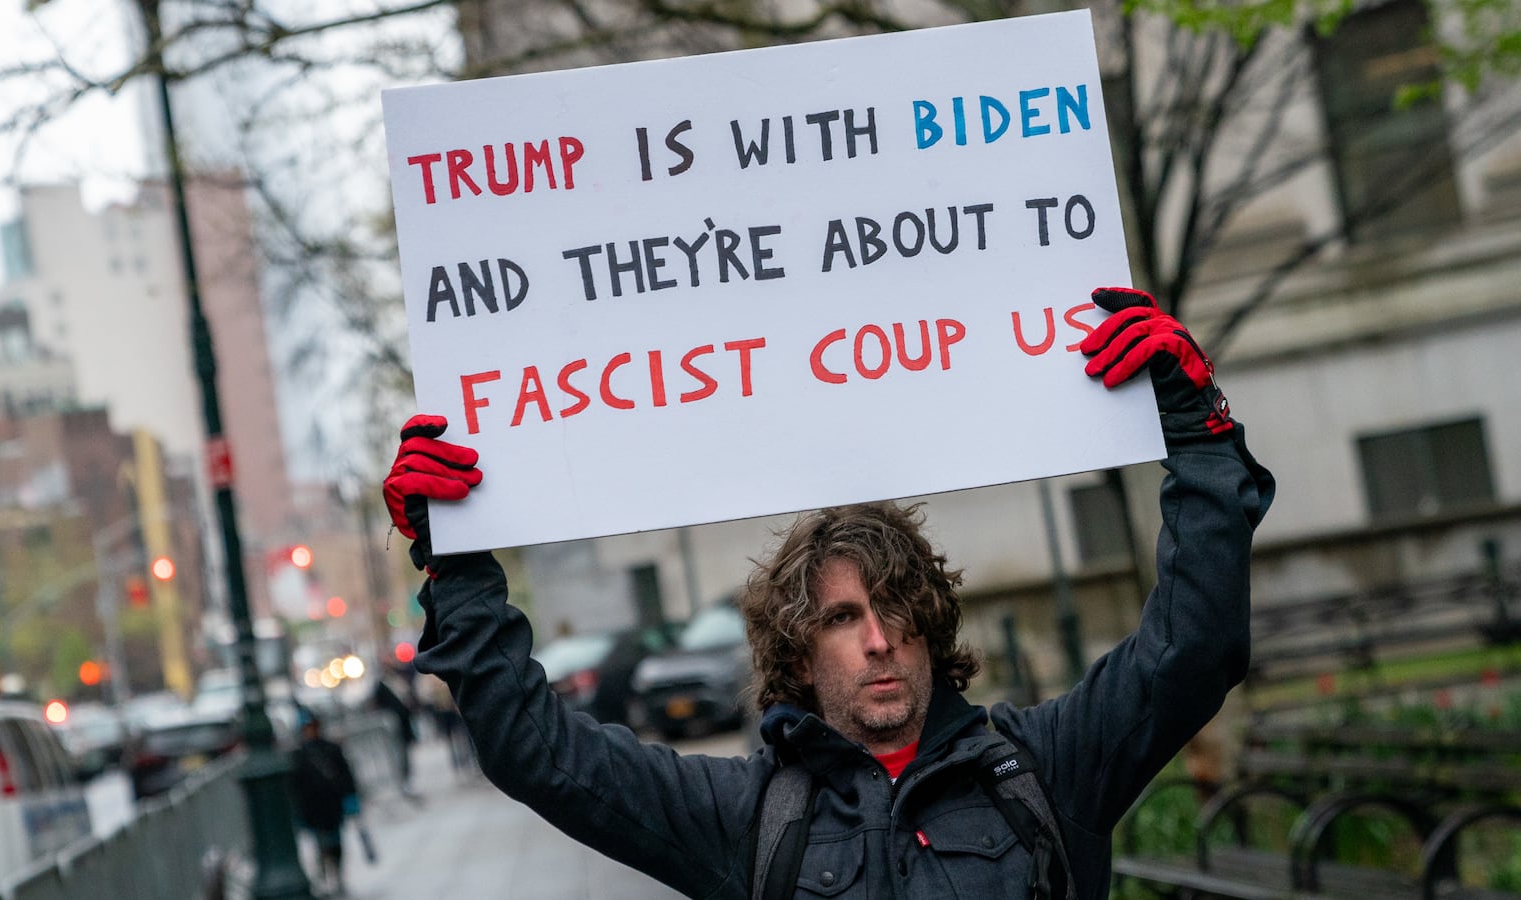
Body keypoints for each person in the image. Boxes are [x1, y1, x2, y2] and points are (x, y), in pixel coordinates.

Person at [381, 287, 1276, 899]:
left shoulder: (1045, 767)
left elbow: (1194, 649)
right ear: (801, 654)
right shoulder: (745, 818)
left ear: (930, 630)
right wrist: (456, 566)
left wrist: (1199, 437)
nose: (879, 640)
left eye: (896, 612)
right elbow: (541, 755)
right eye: (844, 619)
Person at [288, 709, 360, 897]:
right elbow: (295, 786)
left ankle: (337, 876)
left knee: (336, 844)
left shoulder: (331, 749)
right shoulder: (298, 756)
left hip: (332, 807)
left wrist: (351, 801)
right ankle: (327, 878)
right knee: (321, 846)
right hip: (312, 810)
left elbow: (346, 776)